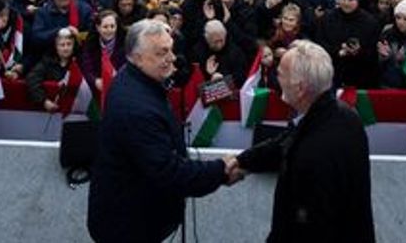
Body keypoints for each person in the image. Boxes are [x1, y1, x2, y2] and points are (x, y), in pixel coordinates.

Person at [87, 19, 237, 243]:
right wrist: (221, 171)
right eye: (162, 53)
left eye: (171, 50)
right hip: (128, 227)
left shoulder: (138, 80)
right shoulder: (136, 108)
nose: (172, 58)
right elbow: (168, 172)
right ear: (136, 57)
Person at [235, 39, 375, 243]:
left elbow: (306, 228)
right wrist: (242, 161)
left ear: (300, 88)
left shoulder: (312, 155)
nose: (276, 77)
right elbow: (286, 141)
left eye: (281, 73)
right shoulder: (343, 117)